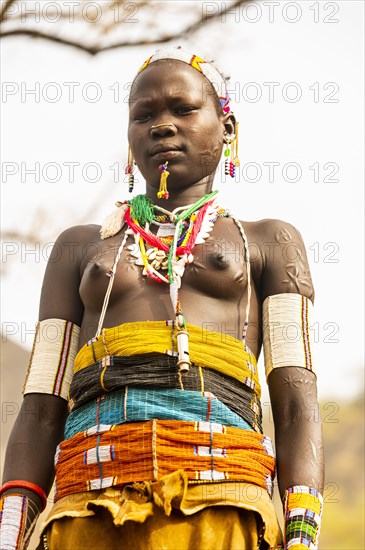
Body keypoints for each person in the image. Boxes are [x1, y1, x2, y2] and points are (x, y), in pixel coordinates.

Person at [0, 49, 324, 550]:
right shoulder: (79, 247)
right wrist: (11, 530)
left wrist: (301, 529)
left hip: (225, 507)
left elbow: (296, 398)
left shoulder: (269, 242)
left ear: (227, 127)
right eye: (144, 115)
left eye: (183, 109)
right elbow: (42, 404)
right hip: (87, 506)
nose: (162, 126)